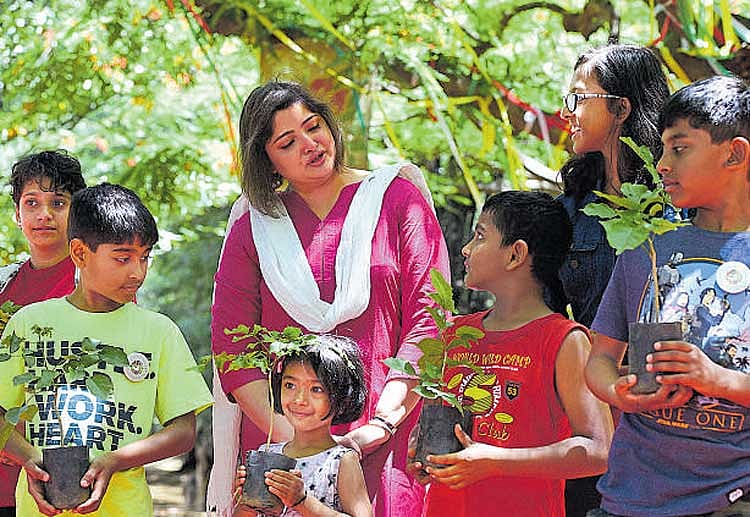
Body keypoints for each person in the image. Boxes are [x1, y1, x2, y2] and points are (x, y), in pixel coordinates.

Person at [208, 81, 449, 517]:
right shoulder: (255, 225)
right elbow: (233, 349)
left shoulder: (396, 198)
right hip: (281, 448)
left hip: (384, 436)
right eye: (287, 142)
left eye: (313, 126)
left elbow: (430, 319)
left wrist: (380, 425)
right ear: (267, 159)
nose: (309, 144)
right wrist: (299, 442)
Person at [584, 75, 750, 516]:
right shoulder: (646, 247)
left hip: (731, 498)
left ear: (735, 153)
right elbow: (600, 358)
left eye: (679, 148)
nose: (661, 164)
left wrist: (719, 381)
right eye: (661, 149)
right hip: (629, 496)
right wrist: (618, 393)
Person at [0, 183, 213, 516]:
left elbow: (183, 432)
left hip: (124, 509)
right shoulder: (29, 324)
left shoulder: (159, 332)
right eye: (123, 258)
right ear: (81, 253)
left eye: (145, 258)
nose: (137, 272)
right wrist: (31, 459)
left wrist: (117, 460)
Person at [409, 191, 613, 517]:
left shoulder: (564, 340)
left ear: (516, 254)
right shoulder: (454, 334)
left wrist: (496, 462)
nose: (466, 249)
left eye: (480, 236)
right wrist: (424, 454)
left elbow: (598, 449)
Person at [556, 44, 669, 516]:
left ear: (621, 107)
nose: (570, 113)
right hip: (592, 418)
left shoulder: (682, 206)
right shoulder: (570, 211)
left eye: (580, 98)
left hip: (671, 420)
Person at [0, 150, 87, 517]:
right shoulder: (4, 285)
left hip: (57, 475)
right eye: (31, 202)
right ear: (18, 215)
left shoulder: (92, 287)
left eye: (58, 202)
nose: (44, 214)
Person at [233, 336, 372, 517]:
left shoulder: (341, 461)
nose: (299, 399)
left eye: (316, 389)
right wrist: (246, 506)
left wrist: (301, 501)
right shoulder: (267, 454)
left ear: (341, 396)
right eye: (290, 385)